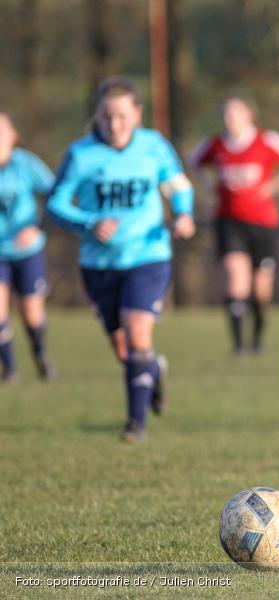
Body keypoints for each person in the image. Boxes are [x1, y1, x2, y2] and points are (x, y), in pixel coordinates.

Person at [47, 76, 195, 442]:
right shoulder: (81, 155)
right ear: (96, 116)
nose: (114, 125)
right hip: (99, 265)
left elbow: (179, 185)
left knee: (137, 331)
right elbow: (55, 204)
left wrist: (183, 214)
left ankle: (136, 424)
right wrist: (88, 222)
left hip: (148, 255)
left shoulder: (154, 146)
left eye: (121, 117)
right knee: (124, 348)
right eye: (106, 117)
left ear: (137, 114)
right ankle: (152, 372)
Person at [188, 96, 279, 356]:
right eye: (225, 114)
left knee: (261, 290)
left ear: (249, 116)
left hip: (262, 223)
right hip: (228, 221)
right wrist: (209, 185)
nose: (229, 120)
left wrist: (274, 186)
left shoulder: (265, 141)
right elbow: (193, 162)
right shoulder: (216, 145)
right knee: (237, 282)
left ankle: (257, 340)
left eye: (235, 114)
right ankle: (238, 346)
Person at [0, 112, 55, 383]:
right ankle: (9, 369)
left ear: (13, 135)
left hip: (27, 251)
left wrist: (37, 227)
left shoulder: (25, 164)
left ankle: (41, 355)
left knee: (31, 312)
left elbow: (55, 195)